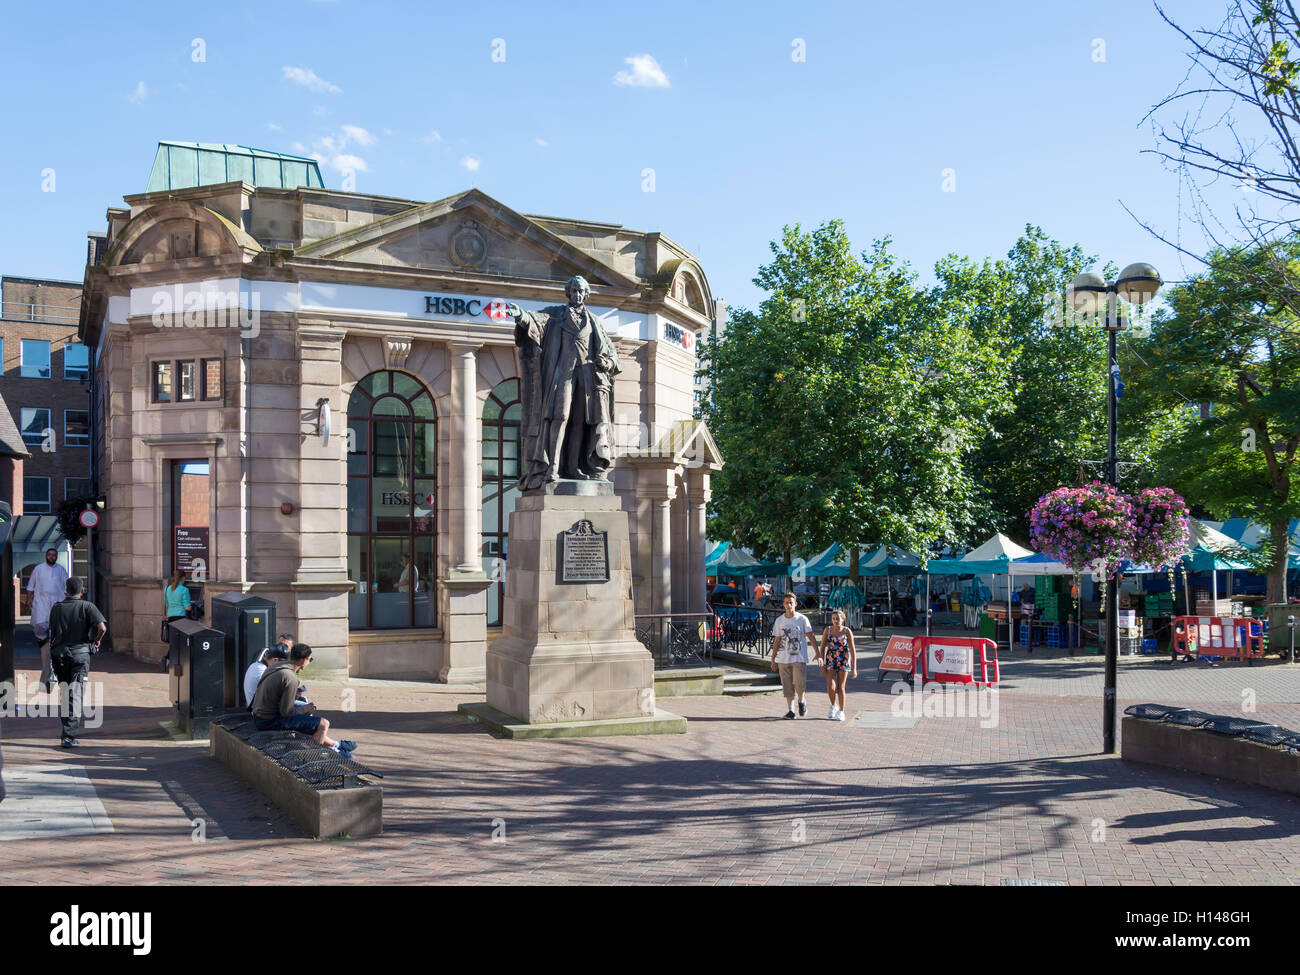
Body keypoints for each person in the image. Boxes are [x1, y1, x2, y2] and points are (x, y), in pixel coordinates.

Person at [506, 275, 620, 487]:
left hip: (587, 378)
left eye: (581, 291)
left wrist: (608, 363)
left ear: (586, 294)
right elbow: (535, 321)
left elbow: (612, 353)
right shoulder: (555, 315)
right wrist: (521, 316)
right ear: (568, 293)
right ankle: (552, 467)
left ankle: (574, 467)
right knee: (559, 416)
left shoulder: (594, 321)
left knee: (580, 423)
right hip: (562, 375)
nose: (577, 295)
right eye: (574, 291)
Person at [250, 643, 356, 758]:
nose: (309, 661)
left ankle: (334, 747)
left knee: (308, 722)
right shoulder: (290, 677)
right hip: (268, 721)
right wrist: (303, 709)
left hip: (259, 716)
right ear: (303, 661)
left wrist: (292, 697)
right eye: (309, 659)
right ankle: (311, 758)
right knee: (323, 724)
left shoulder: (277, 666)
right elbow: (286, 712)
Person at [46, 577, 107, 749]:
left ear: (66, 590)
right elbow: (102, 628)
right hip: (80, 655)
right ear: (81, 591)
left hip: (59, 656)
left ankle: (66, 731)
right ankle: (69, 736)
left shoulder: (56, 608)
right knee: (76, 694)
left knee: (65, 692)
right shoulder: (87, 606)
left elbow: (52, 631)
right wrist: (96, 641)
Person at [769, 590, 819, 718]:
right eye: (786, 603)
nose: (788, 605)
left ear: (796, 604)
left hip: (799, 657)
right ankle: (791, 710)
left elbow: (811, 636)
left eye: (791, 603)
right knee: (787, 686)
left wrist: (818, 653)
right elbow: (777, 640)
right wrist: (773, 658)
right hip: (783, 658)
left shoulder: (802, 619)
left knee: (799, 682)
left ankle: (802, 701)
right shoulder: (779, 620)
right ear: (783, 604)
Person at [27, 548, 69, 689]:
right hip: (41, 603)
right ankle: (43, 641)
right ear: (46, 556)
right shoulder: (38, 569)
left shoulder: (61, 570)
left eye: (54, 555)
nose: (51, 557)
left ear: (56, 557)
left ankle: (53, 650)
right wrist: (29, 599)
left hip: (57, 603)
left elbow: (66, 588)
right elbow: (30, 586)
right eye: (49, 555)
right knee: (39, 626)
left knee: (56, 631)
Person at [818, 609, 857, 720]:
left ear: (843, 619)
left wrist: (854, 669)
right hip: (831, 659)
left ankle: (841, 711)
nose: (835, 621)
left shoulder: (847, 631)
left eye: (838, 618)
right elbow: (822, 647)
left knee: (841, 687)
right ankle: (833, 706)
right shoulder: (828, 630)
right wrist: (821, 664)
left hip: (844, 659)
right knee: (830, 685)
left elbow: (853, 651)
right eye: (834, 619)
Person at [241, 632, 294, 709]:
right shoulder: (262, 666)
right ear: (275, 660)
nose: (281, 647)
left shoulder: (261, 666)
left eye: (285, 646)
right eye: (280, 644)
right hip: (260, 710)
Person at [161, 569, 191, 670]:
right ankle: (168, 659)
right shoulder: (184, 590)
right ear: (183, 578)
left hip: (171, 618)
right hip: (181, 618)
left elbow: (167, 605)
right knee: (180, 642)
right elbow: (187, 607)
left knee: (174, 641)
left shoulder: (167, 589)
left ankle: (169, 660)